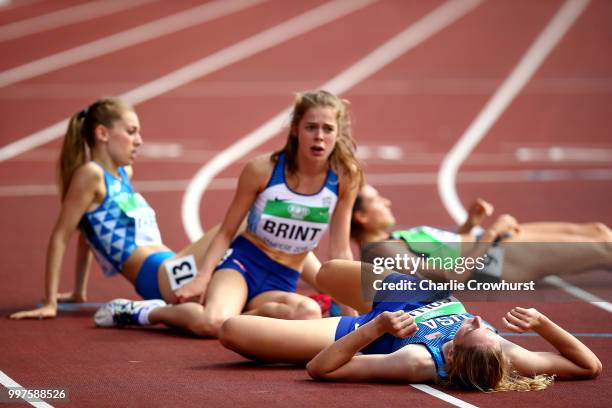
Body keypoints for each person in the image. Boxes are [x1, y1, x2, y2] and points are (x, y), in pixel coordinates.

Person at [94, 90, 363, 337]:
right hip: (243, 265)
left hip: (283, 279)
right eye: (311, 127)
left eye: (328, 129)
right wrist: (202, 278)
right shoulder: (263, 170)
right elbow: (226, 231)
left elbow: (340, 251)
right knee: (213, 324)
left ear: (337, 134)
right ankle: (145, 312)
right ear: (295, 130)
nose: (319, 136)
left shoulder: (343, 178)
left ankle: (237, 313)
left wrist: (354, 321)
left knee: (308, 313)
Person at [218, 260, 602, 391]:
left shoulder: (417, 361)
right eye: (486, 327)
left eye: (471, 327)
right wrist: (545, 324)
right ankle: (309, 300)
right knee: (329, 272)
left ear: (452, 351)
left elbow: (320, 368)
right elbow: (589, 366)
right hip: (416, 291)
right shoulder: (506, 354)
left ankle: (261, 292)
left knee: (232, 330)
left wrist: (373, 330)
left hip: (369, 327)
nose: (477, 317)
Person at [9, 98, 226, 321]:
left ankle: (148, 312)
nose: (139, 141)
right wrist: (49, 302)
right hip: (159, 275)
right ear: (102, 133)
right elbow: (61, 236)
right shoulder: (91, 175)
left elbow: (87, 234)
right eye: (131, 132)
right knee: (237, 224)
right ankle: (141, 311)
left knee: (233, 305)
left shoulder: (124, 174)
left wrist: (78, 291)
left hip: (174, 266)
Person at [351, 184, 612, 283]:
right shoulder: (382, 252)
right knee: (604, 250)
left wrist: (469, 223)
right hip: (501, 261)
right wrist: (491, 234)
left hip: (493, 243)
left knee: (598, 231)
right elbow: (450, 276)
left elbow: (449, 252)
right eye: (377, 200)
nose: (387, 202)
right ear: (361, 217)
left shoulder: (389, 240)